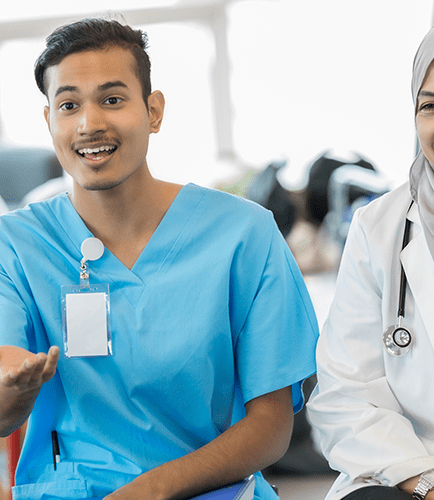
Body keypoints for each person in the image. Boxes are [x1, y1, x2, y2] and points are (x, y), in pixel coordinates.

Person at [0, 18, 319, 500]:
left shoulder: (243, 235)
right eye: (69, 105)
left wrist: (154, 490)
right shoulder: (17, 244)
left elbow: (272, 425)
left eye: (112, 99)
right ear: (49, 121)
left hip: (209, 491)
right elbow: (4, 388)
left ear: (153, 111)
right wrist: (12, 395)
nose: (89, 123)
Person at [307, 12, 434, 500]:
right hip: (417, 477)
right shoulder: (382, 229)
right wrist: (432, 485)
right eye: (429, 106)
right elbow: (340, 398)